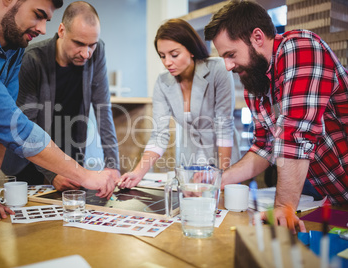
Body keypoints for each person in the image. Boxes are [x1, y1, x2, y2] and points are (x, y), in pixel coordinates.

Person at [0, 0, 117, 222]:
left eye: (46, 19)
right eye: (38, 14)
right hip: (29, 164)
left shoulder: (15, 50)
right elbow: (13, 124)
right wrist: (84, 176)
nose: (43, 29)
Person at [204, 0, 348, 232]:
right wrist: (217, 182)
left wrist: (283, 206)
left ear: (257, 37)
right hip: (337, 198)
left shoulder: (300, 47)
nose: (228, 66)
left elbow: (296, 133)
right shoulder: (255, 83)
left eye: (231, 54)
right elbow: (263, 148)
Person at [1, 1, 120, 191]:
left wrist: (112, 166)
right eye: (79, 43)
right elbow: (26, 126)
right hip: (28, 162)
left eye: (92, 45)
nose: (86, 53)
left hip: (70, 156)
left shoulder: (97, 53)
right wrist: (51, 173)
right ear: (62, 30)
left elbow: (103, 111)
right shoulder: (33, 59)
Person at [119, 19, 240, 189]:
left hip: (224, 158)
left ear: (190, 49)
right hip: (190, 160)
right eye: (162, 56)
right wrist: (137, 173)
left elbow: (224, 126)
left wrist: (221, 175)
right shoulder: (162, 82)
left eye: (174, 54)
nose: (167, 62)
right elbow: (159, 135)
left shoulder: (217, 70)